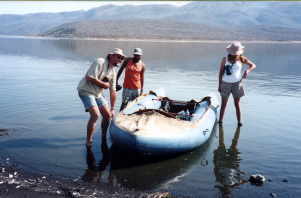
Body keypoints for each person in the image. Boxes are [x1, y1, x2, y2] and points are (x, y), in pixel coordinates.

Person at [77, 48, 125, 147]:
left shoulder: (113, 71)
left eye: (122, 58)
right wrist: (104, 85)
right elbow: (89, 77)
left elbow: (113, 91)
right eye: (118, 57)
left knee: (107, 115)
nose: (120, 59)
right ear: (111, 56)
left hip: (97, 94)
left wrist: (112, 108)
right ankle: (88, 141)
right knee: (95, 115)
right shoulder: (100, 62)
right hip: (86, 91)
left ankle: (103, 136)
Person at [218, 42, 256, 126]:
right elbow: (220, 72)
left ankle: (239, 122)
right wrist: (219, 85)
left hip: (237, 84)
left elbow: (253, 65)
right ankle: (220, 121)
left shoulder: (242, 59)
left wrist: (247, 71)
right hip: (225, 84)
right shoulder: (225, 59)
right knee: (224, 104)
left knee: (237, 104)